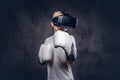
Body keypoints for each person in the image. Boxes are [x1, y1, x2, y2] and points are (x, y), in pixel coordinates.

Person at [38, 10, 77, 80]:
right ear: (52, 23)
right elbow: (43, 61)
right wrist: (42, 58)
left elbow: (71, 61)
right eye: (57, 19)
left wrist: (67, 49)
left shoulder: (70, 38)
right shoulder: (47, 40)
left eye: (62, 19)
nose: (60, 24)